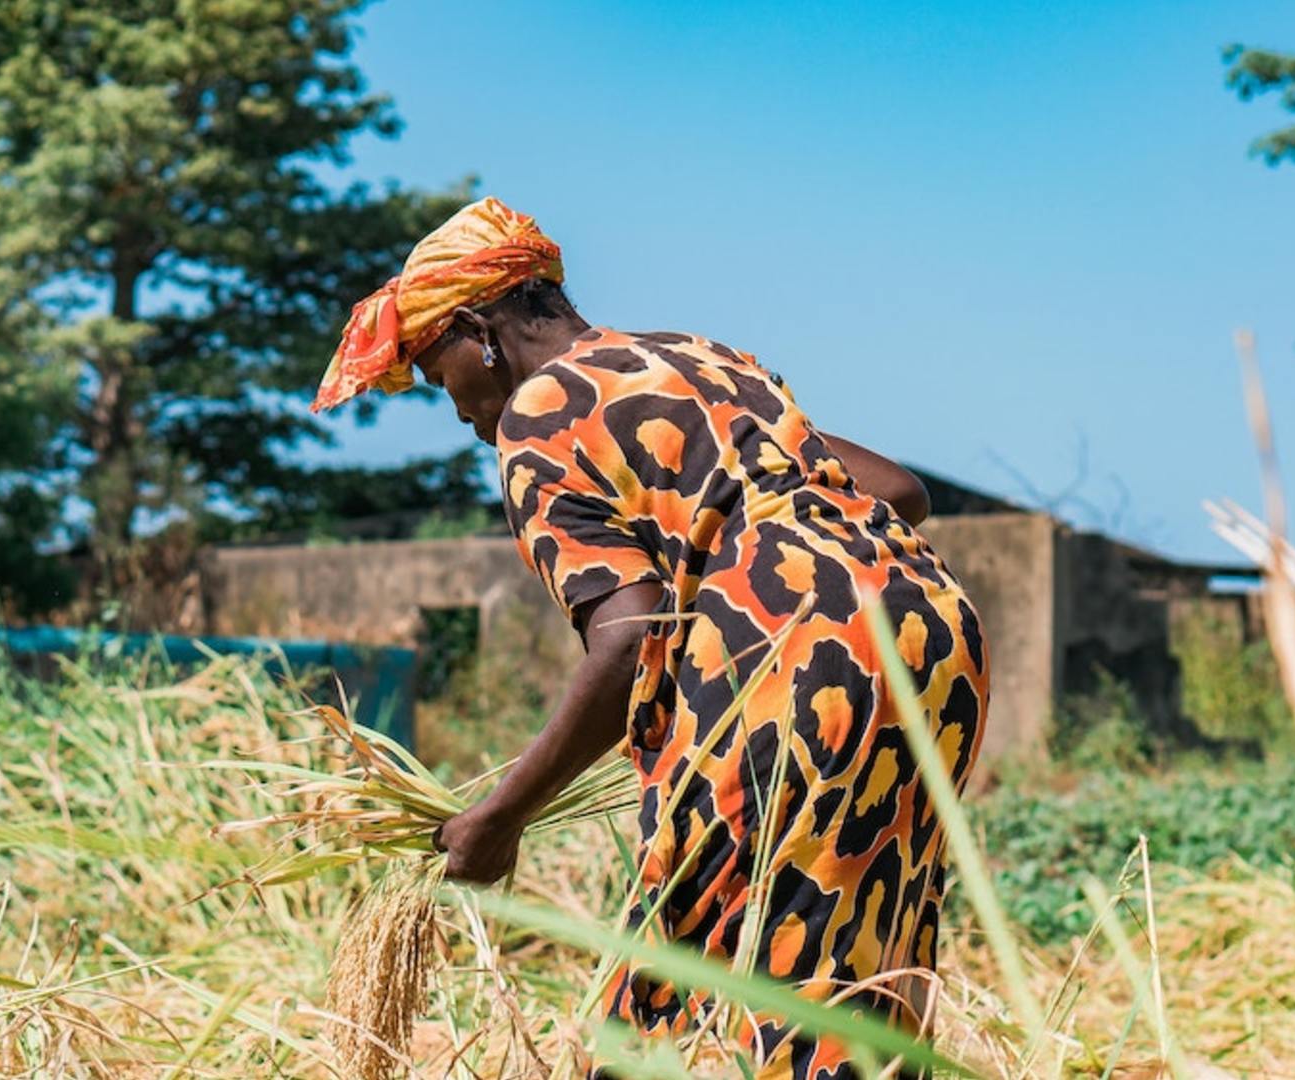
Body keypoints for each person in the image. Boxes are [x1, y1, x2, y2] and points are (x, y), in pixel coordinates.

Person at [312, 197, 990, 1079]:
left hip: (795, 666)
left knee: (673, 985)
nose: (455, 409)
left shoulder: (536, 416)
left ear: (479, 331)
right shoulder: (697, 358)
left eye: (441, 376)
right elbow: (897, 491)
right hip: (930, 631)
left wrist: (502, 816)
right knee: (855, 956)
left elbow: (630, 635)